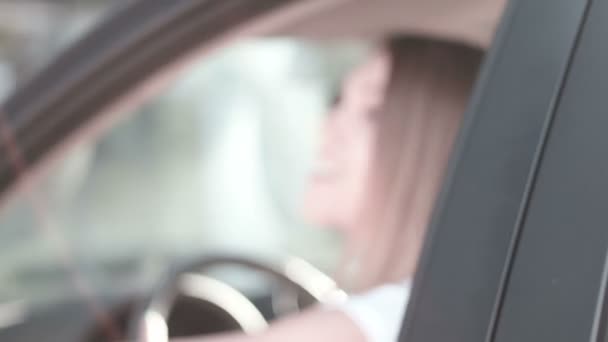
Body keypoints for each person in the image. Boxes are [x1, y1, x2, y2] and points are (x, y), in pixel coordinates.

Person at [176, 36, 482, 342]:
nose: (327, 128)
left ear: (430, 149)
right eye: (338, 101)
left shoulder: (392, 317)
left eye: (373, 112)